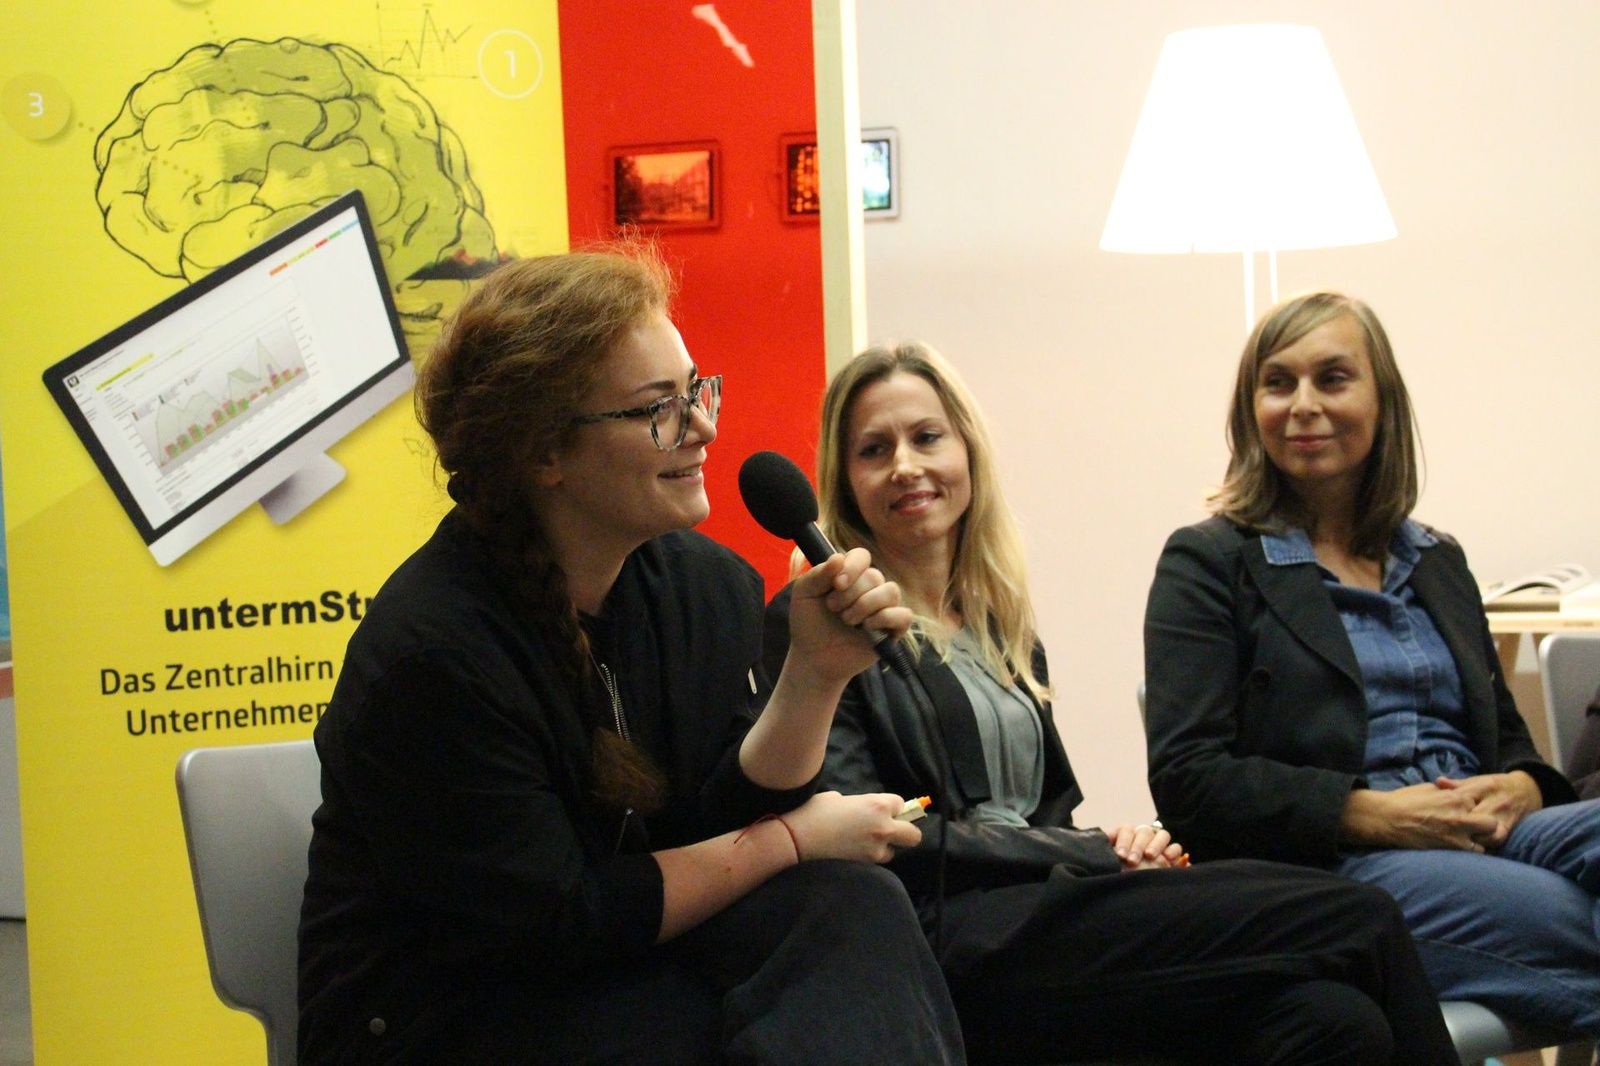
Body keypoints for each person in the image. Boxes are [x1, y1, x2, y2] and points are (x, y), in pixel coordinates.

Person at [297, 248, 966, 1064]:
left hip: (631, 967)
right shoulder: (434, 654)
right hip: (456, 1014)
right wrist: (790, 842)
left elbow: (716, 818)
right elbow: (559, 921)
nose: (704, 428)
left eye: (697, 391)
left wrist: (814, 675)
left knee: (851, 902)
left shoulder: (702, 586)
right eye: (659, 410)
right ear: (544, 453)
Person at [763, 341, 1460, 1065]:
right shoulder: (820, 627)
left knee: (1334, 1023)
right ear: (846, 480)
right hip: (952, 942)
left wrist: (1119, 851)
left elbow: (1044, 817)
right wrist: (1094, 851)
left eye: (926, 437)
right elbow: (878, 835)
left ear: (967, 452)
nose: (906, 465)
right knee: (1360, 917)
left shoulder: (1000, 627)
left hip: (1046, 916)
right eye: (875, 450)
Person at [1143, 291, 1600, 1038]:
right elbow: (1189, 778)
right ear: (1250, 410)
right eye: (1278, 383)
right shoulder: (1210, 561)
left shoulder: (1437, 559)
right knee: (1562, 918)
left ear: (1382, 400)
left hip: (1483, 829)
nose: (1303, 405)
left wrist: (1521, 786)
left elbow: (1510, 742)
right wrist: (1372, 814)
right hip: (1339, 864)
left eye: (1332, 378)